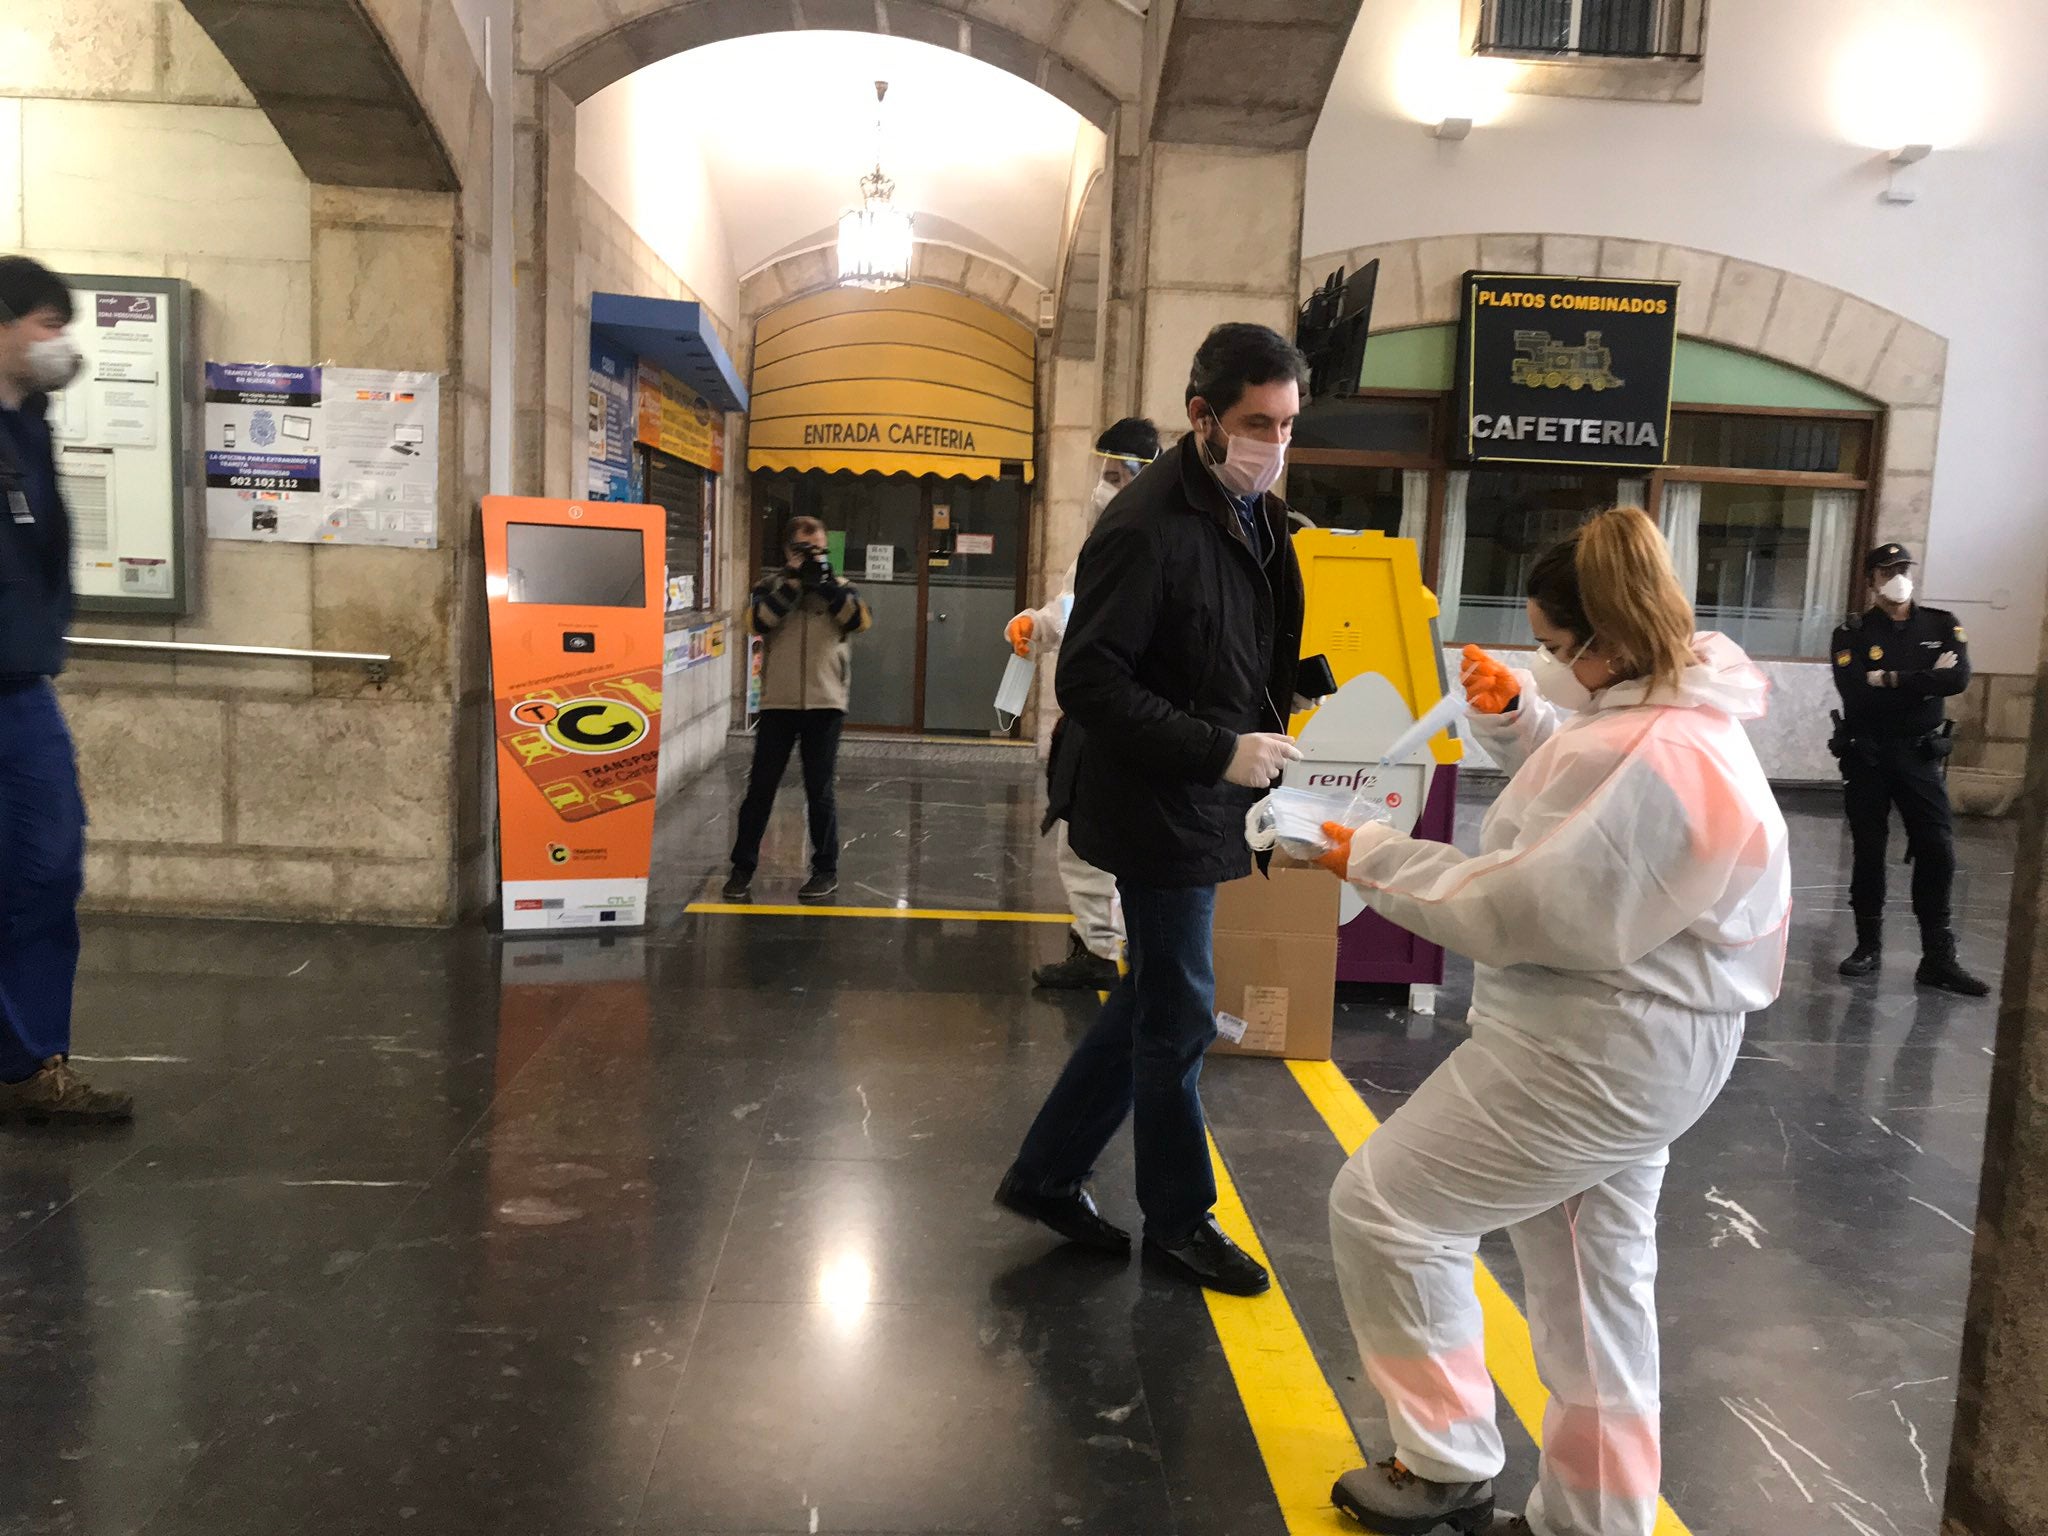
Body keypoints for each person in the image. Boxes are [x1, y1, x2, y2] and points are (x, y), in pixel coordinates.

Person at [1313, 506, 1790, 1536]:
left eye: (1552, 646)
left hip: (1590, 1048)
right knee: (1590, 1285)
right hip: (1650, 1041)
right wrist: (1516, 714)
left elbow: (1519, 902)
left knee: (1385, 1210)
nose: (1544, 660)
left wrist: (1364, 856)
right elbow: (1593, 776)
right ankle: (1594, 1514)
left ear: (1606, 644)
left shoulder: (1663, 758)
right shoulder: (1677, 714)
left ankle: (1442, 1459)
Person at [993, 322, 1318, 1298]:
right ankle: (1178, 1220)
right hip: (1153, 798)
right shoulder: (1140, 526)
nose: (1274, 443)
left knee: (1149, 998)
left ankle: (1046, 1176)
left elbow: (1232, 645)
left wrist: (1304, 682)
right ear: (1201, 416)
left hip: (1205, 793)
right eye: (1256, 423)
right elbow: (1091, 681)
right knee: (1177, 1014)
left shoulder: (1251, 514)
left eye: (1289, 424)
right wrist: (1221, 749)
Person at [0, 256, 132, 1126]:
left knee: (49, 866)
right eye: (49, 324)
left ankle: (32, 1060)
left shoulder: (30, 430)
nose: (62, 343)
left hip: (20, 687)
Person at [1005, 416, 1161, 991]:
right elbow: (1070, 608)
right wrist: (1033, 624)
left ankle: (1106, 952)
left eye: (1118, 476)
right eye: (1105, 472)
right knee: (1089, 844)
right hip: (1096, 721)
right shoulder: (1104, 544)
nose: (1104, 486)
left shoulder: (1151, 541)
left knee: (1097, 845)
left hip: (1122, 723)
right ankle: (1100, 945)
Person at [1829, 543, 1988, 996]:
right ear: (1871, 580)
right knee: (1869, 848)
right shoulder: (1852, 631)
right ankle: (1867, 946)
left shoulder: (1940, 623)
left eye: (1903, 568)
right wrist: (1924, 679)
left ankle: (1938, 956)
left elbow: (1956, 680)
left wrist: (1892, 679)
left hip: (1920, 756)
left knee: (1937, 847)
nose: (1898, 576)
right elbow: (1856, 693)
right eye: (1887, 570)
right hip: (1869, 755)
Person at [723, 516, 871, 903]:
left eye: (818, 549)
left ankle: (825, 870)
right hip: (779, 702)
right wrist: (791, 584)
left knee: (819, 790)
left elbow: (860, 621)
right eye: (804, 550)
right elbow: (755, 623)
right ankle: (742, 869)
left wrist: (824, 584)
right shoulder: (768, 587)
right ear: (788, 551)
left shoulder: (840, 588)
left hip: (826, 703)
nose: (812, 556)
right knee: (761, 789)